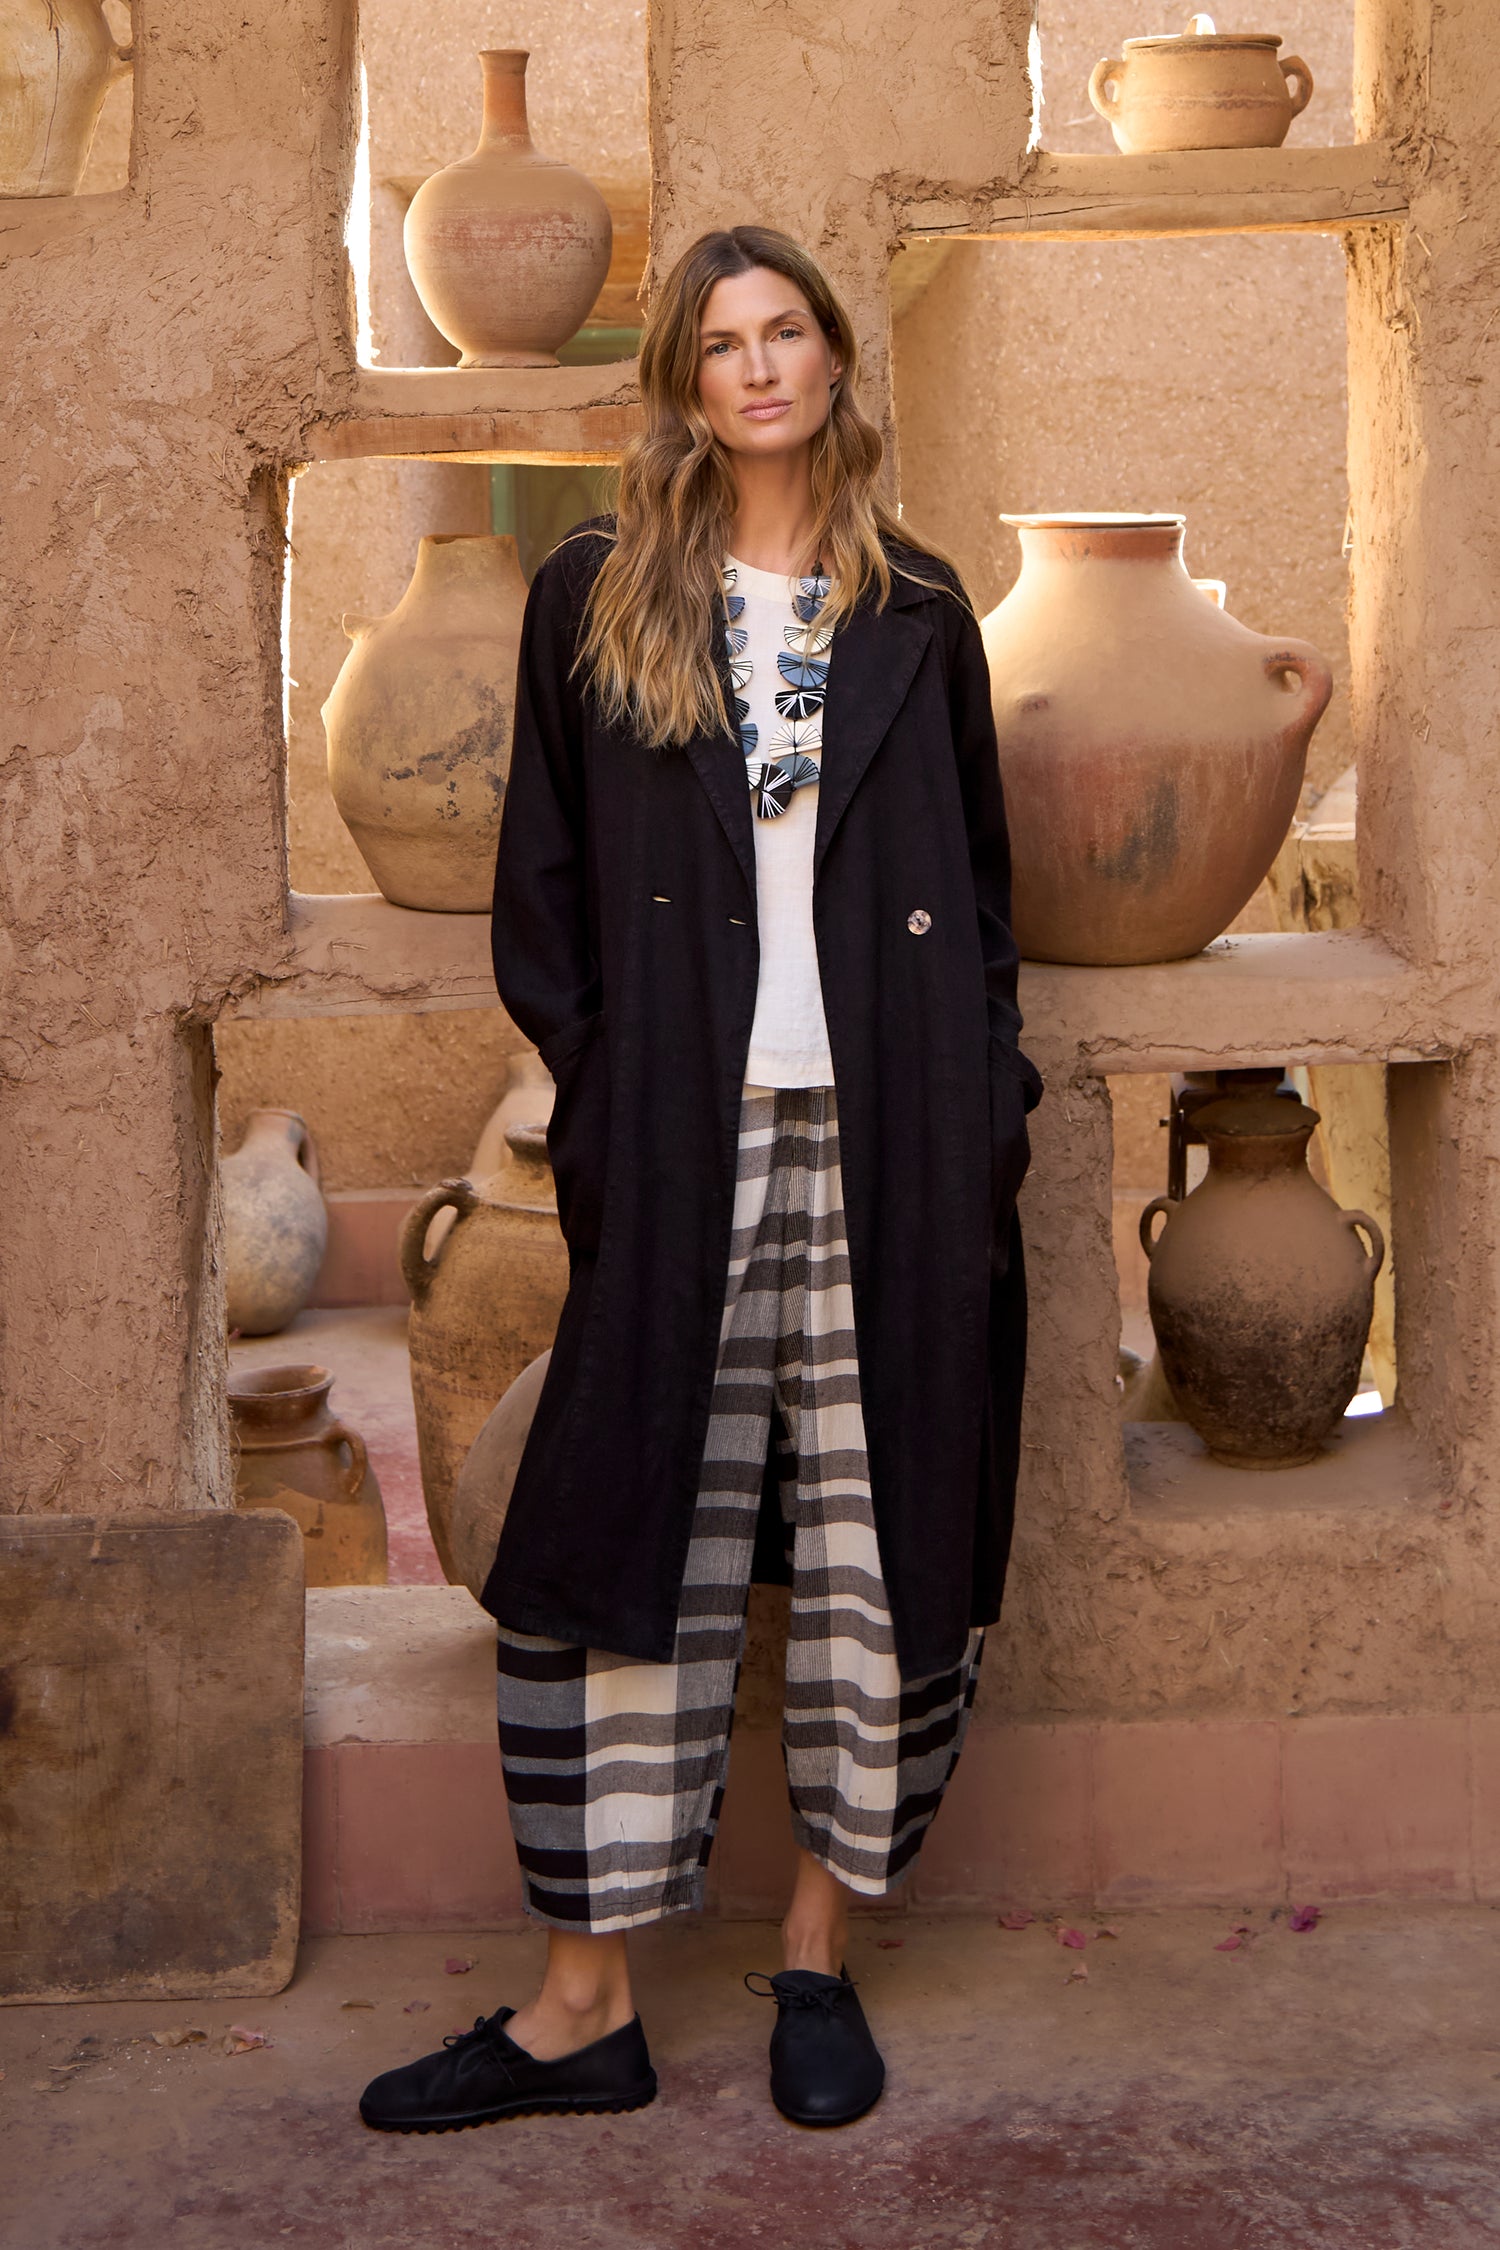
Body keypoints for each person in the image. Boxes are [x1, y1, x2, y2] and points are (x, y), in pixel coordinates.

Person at [359, 223, 1041, 2137]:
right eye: (720, 341)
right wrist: (607, 1099)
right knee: (614, 1541)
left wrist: (985, 1106)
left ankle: (816, 1956)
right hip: (680, 1139)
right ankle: (584, 2006)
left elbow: (983, 907)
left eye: (786, 333)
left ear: (834, 363)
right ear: (682, 378)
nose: (755, 369)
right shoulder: (600, 597)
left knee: (873, 1545)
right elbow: (542, 901)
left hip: (894, 1143)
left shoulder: (920, 606)